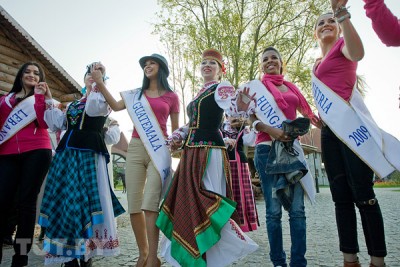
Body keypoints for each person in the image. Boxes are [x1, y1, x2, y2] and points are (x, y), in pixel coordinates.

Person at [313, 3, 400, 266]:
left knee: (364, 195)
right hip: (330, 133)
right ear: (315, 33)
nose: (326, 24)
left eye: (331, 21)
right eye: (321, 22)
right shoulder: (317, 64)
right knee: (341, 198)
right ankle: (349, 258)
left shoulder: (343, 46)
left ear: (338, 28)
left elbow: (358, 51)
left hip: (352, 130)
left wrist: (343, 16)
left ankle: (377, 260)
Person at [156, 48, 259, 267]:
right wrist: (177, 135)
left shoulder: (223, 89)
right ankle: (197, 255)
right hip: (192, 151)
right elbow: (193, 123)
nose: (207, 66)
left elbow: (233, 111)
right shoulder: (199, 93)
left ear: (220, 70)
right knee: (189, 201)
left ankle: (212, 258)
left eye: (212, 63)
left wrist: (240, 107)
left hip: (210, 151)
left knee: (208, 197)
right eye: (204, 63)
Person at [95, 54, 180, 267]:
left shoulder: (171, 96)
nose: (147, 66)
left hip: (158, 150)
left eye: (152, 63)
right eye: (145, 64)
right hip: (134, 149)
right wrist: (99, 81)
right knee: (134, 205)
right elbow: (114, 105)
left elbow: (177, 131)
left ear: (162, 68)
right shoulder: (136, 95)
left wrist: (179, 146)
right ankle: (143, 253)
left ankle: (153, 258)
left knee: (150, 204)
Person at [38, 62, 125, 267]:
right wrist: (49, 96)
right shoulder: (72, 105)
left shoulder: (102, 100)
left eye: (97, 74)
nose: (91, 76)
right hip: (67, 155)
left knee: (85, 198)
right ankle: (68, 253)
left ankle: (86, 253)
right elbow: (56, 123)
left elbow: (94, 110)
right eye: (89, 74)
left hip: (88, 156)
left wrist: (99, 83)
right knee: (66, 198)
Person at [245, 46, 318, 267]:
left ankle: (298, 263)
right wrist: (271, 130)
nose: (270, 61)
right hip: (266, 149)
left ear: (281, 62)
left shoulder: (291, 88)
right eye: (265, 59)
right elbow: (250, 119)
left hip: (291, 150)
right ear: (261, 65)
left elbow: (303, 114)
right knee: (274, 211)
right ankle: (278, 262)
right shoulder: (255, 89)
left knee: (297, 211)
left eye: (274, 58)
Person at [0, 62, 53, 267]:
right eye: (28, 71)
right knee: (2, 201)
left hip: (37, 151)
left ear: (40, 78)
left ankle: (20, 256)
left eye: (36, 73)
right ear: (20, 75)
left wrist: (40, 97)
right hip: (7, 154)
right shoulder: (5, 100)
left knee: (26, 204)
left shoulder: (40, 99)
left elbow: (44, 122)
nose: (32, 75)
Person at [221, 115, 258, 232]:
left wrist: (255, 127)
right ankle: (225, 224)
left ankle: (241, 225)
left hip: (239, 163)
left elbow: (250, 142)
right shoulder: (219, 127)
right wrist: (225, 140)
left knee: (241, 195)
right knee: (224, 192)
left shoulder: (243, 128)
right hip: (221, 162)